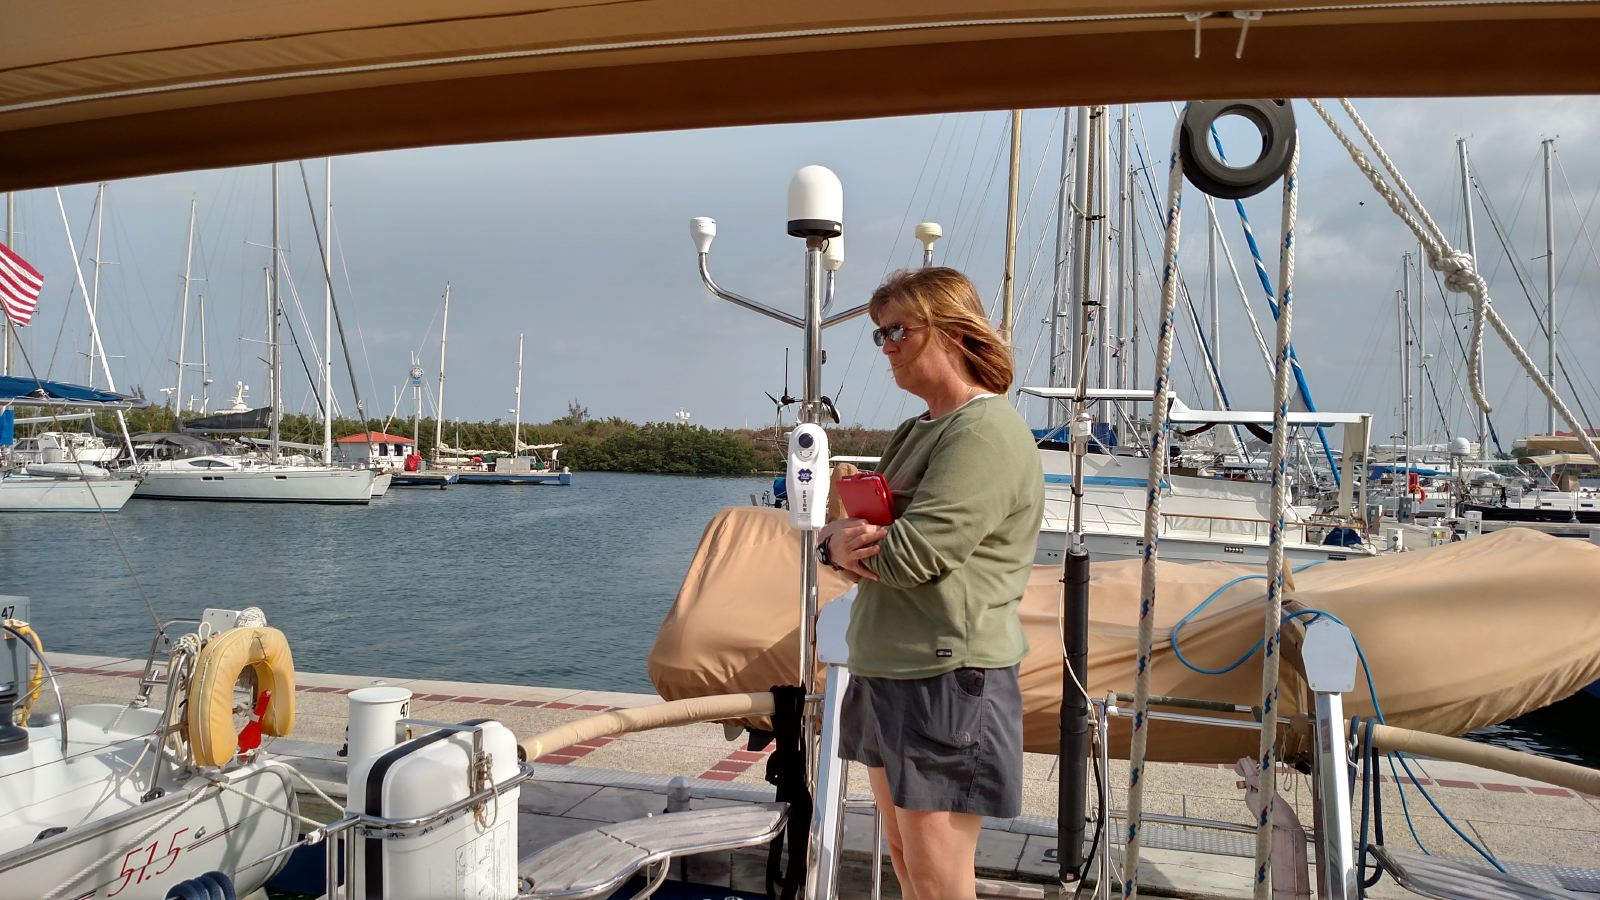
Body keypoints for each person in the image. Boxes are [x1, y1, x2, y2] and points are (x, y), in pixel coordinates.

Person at [816, 267, 1044, 900]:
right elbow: (849, 537)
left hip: (945, 675)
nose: (886, 346)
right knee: (907, 861)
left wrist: (842, 545)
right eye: (879, 334)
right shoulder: (918, 431)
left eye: (898, 331)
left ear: (951, 332)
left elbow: (911, 557)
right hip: (890, 666)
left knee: (939, 878)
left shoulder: (984, 432)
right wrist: (836, 542)